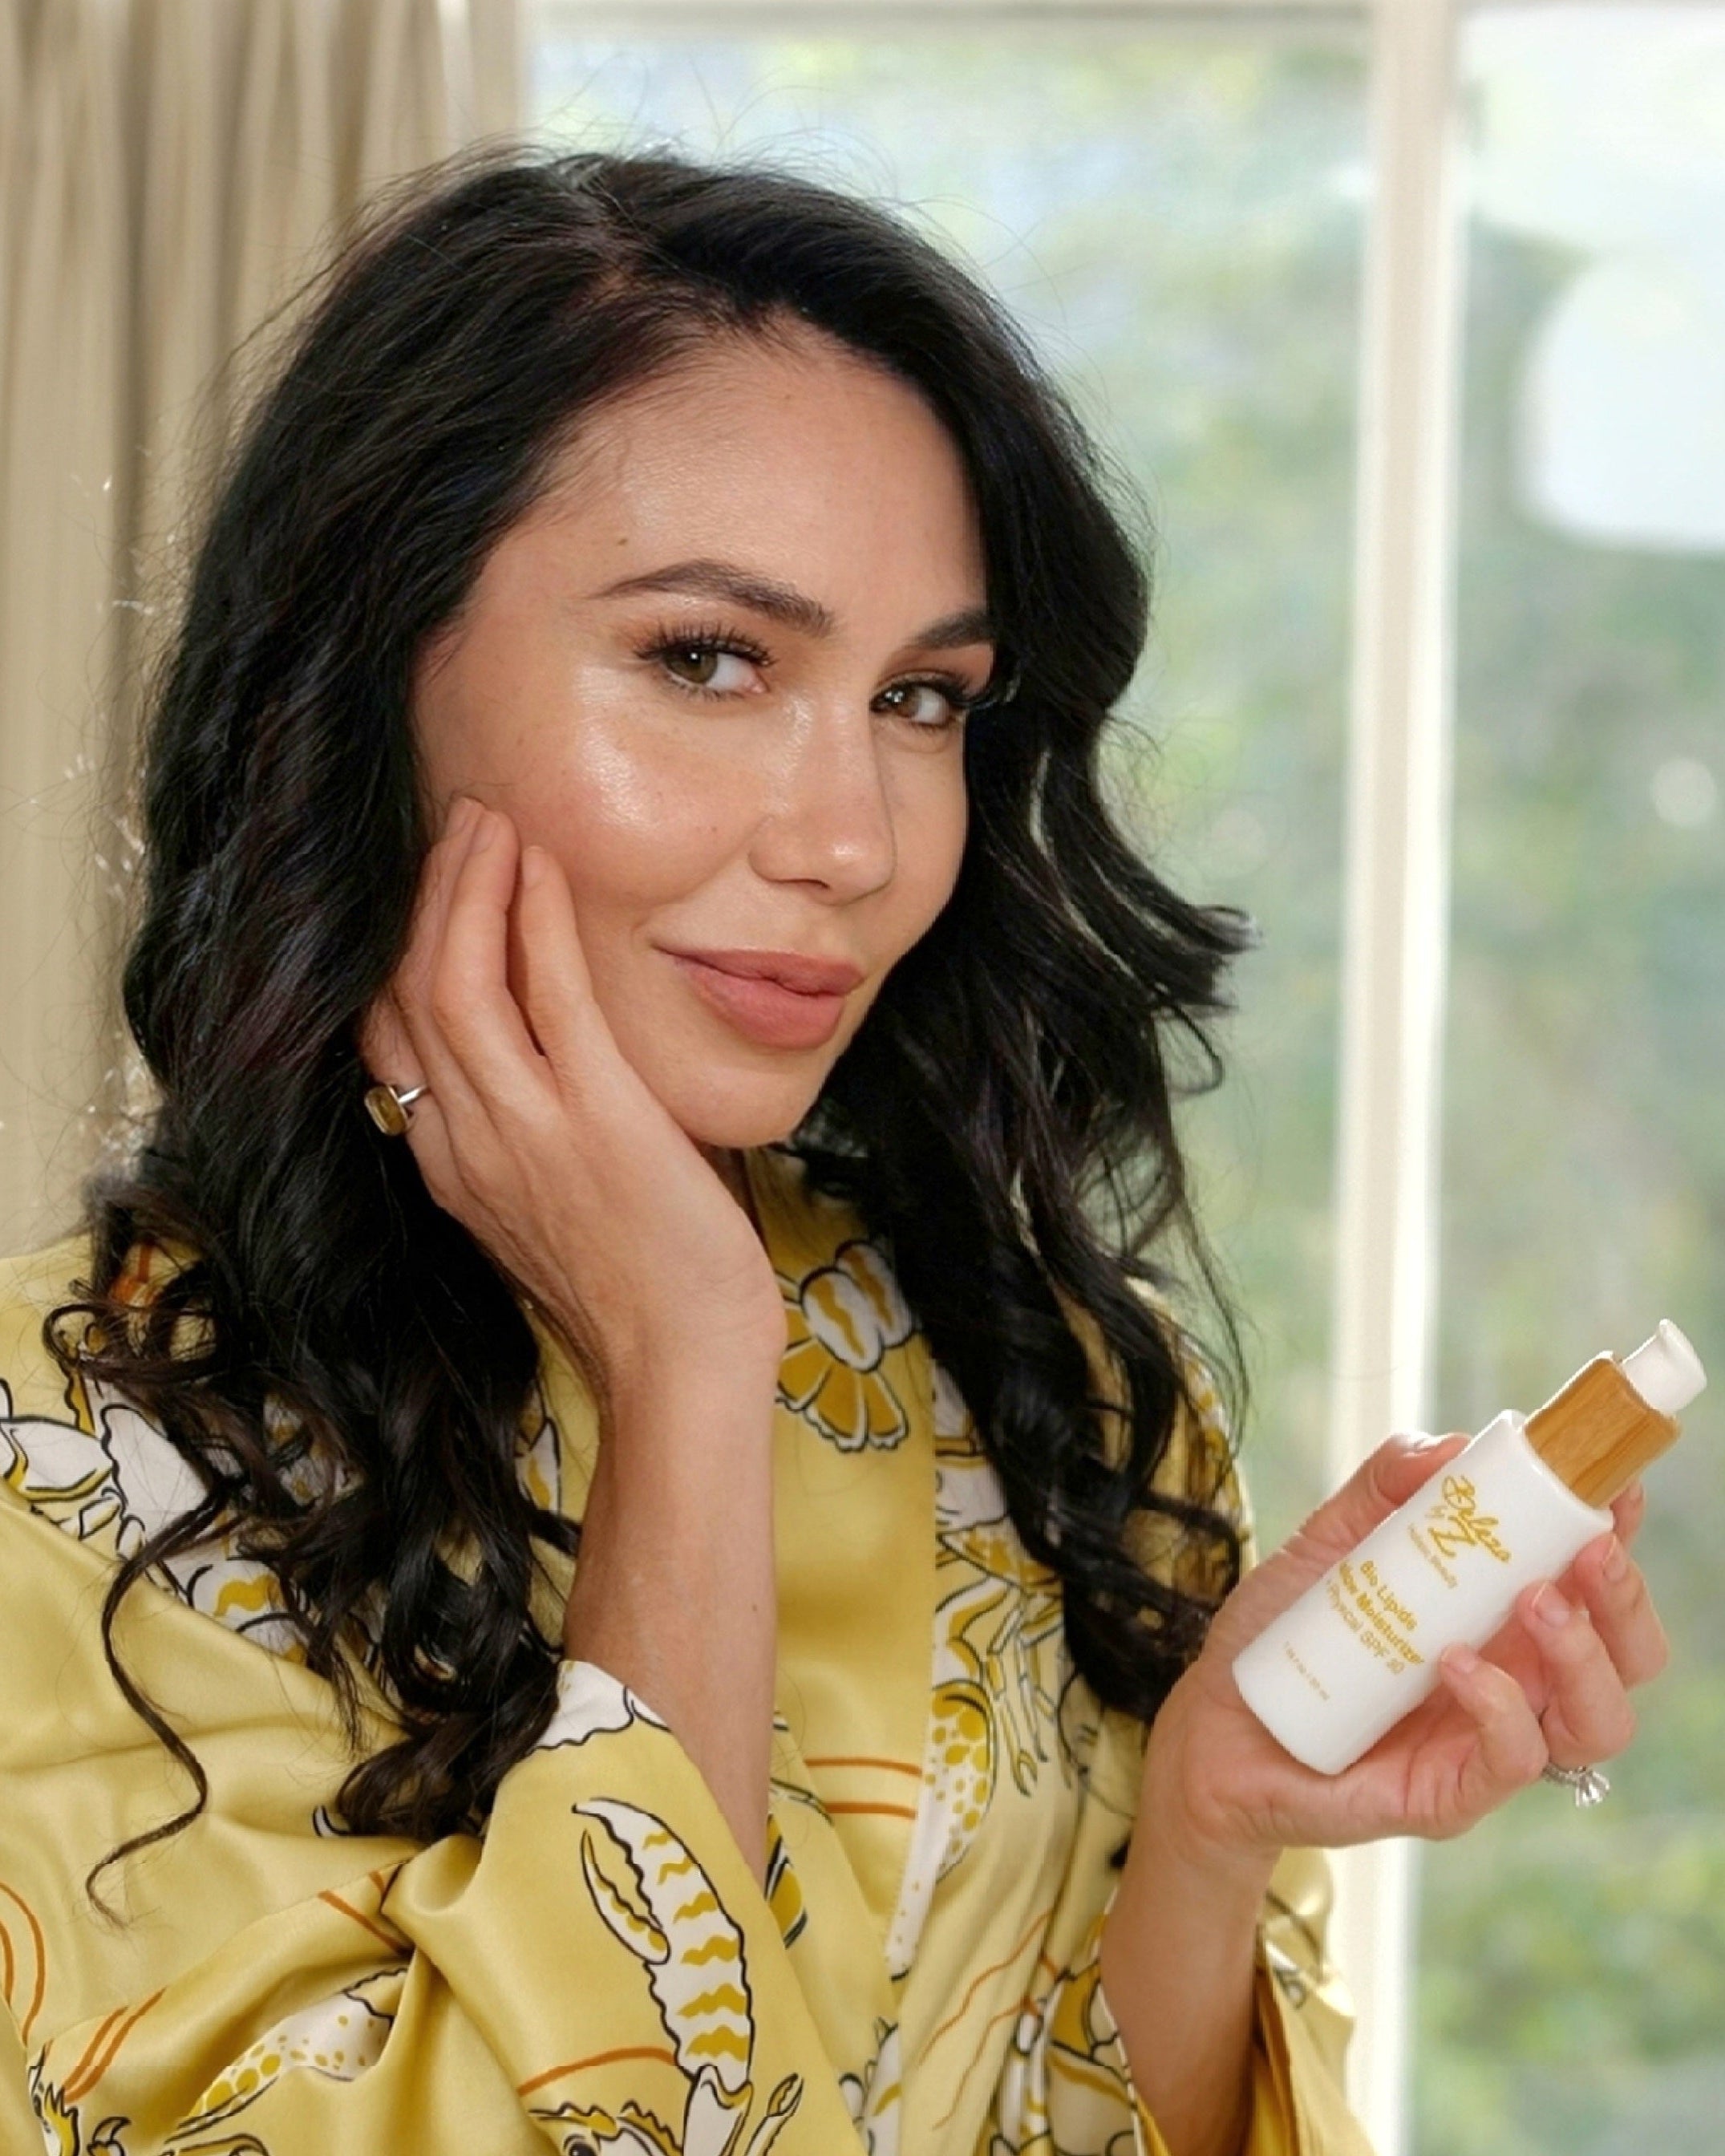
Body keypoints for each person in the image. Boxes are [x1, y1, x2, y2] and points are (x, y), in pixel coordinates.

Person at [0, 144, 1666, 2156]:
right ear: (369, 681)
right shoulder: (66, 1458)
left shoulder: (1047, 1389)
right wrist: (687, 1362)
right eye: (709, 660)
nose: (855, 840)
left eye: (920, 697)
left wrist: (1210, 1828)